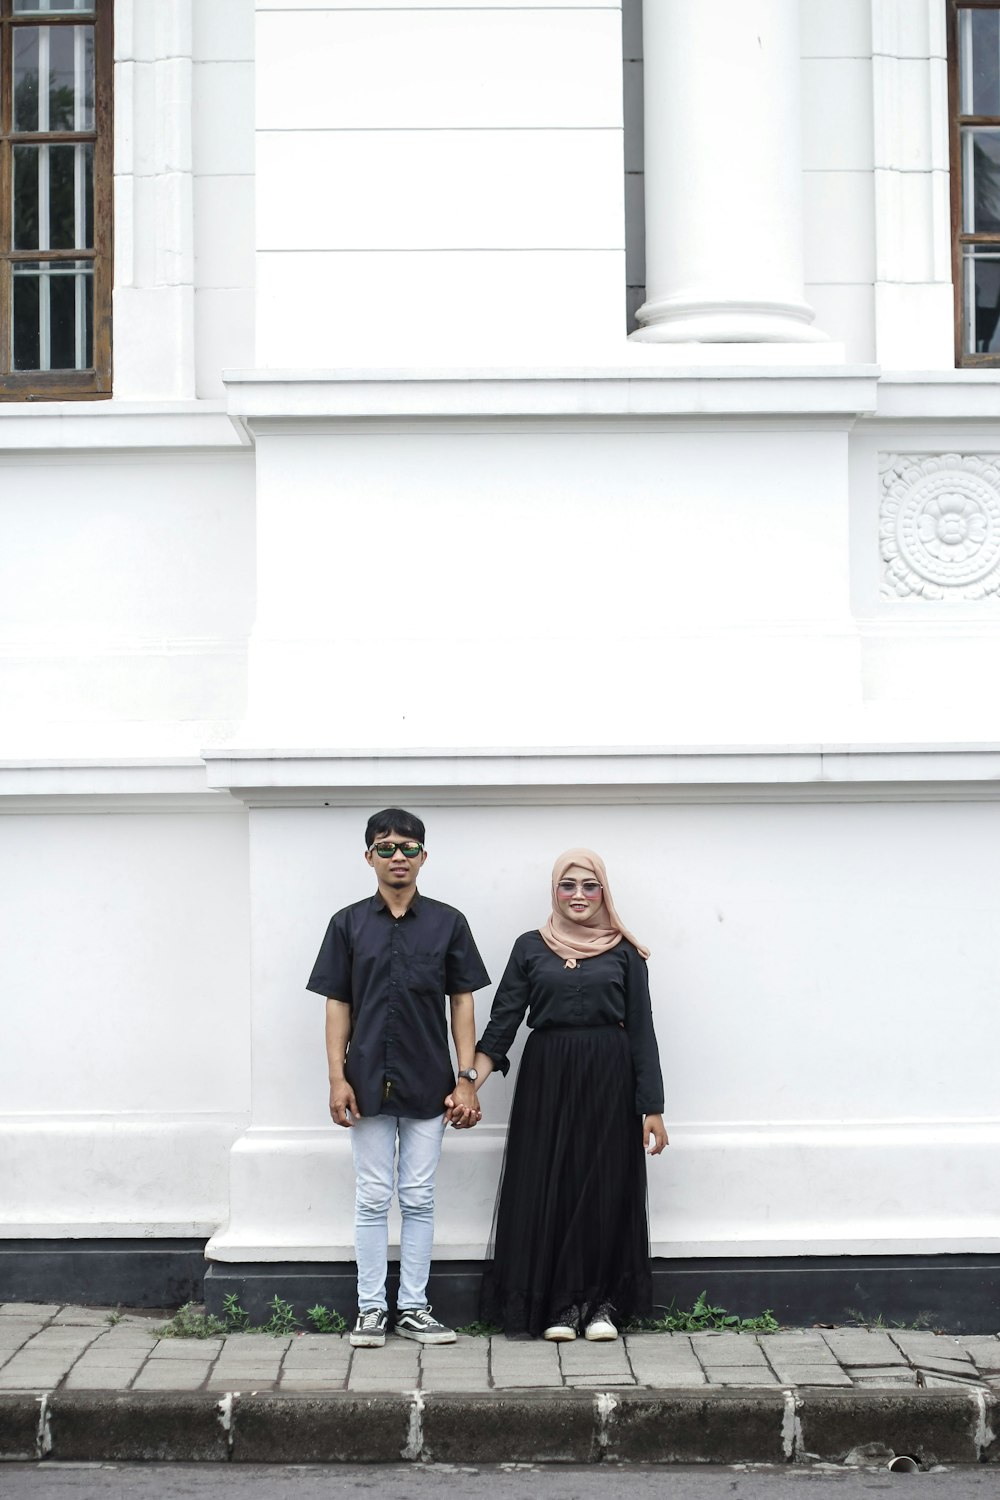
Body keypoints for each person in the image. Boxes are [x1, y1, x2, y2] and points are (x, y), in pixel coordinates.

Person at [306, 808, 490, 1349]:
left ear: (424, 856)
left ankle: (412, 1306)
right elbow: (337, 1005)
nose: (398, 857)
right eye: (385, 848)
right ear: (369, 857)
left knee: (418, 1196)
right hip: (364, 1081)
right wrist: (337, 1078)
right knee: (371, 1195)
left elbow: (462, 1004)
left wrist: (466, 1079)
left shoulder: (448, 923)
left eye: (408, 847)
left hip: (430, 1080)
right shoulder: (347, 924)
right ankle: (369, 1309)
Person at [472, 848, 668, 1342]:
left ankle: (600, 1305)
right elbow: (503, 1024)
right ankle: (559, 1307)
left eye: (589, 885)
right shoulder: (529, 947)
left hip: (609, 1078)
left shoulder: (624, 952)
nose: (578, 895)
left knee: (603, 1188)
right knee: (549, 1184)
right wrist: (467, 1083)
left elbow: (643, 1032)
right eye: (568, 885)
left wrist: (653, 1108)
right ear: (554, 891)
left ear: (604, 892)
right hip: (547, 1079)